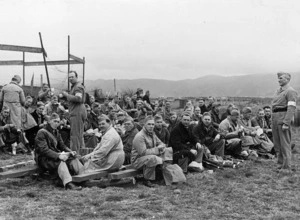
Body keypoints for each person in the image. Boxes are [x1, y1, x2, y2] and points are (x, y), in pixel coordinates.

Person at [35, 113, 83, 190]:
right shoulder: (42, 132)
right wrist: (58, 156)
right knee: (61, 161)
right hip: (44, 158)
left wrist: (70, 152)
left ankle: (83, 176)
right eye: (55, 121)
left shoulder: (56, 132)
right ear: (49, 121)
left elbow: (62, 146)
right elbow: (43, 150)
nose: (56, 123)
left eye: (58, 122)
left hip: (54, 155)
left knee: (73, 159)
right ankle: (68, 184)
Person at [271, 72, 297, 171]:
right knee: (277, 144)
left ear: (287, 79)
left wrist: (286, 122)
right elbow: (274, 106)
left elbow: (291, 108)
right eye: (278, 78)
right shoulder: (278, 91)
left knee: (285, 144)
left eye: (281, 78)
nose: (279, 80)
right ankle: (280, 164)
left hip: (283, 118)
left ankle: (286, 167)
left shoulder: (290, 91)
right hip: (275, 118)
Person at [131, 116, 166, 187]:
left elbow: (161, 143)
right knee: (153, 158)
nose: (151, 126)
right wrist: (158, 149)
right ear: (144, 125)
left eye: (153, 124)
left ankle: (162, 175)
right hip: (137, 161)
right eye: (149, 124)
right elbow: (143, 153)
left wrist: (162, 147)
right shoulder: (140, 136)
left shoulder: (152, 133)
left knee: (168, 151)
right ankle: (147, 180)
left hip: (148, 158)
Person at [60, 71, 87, 153]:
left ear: (76, 77)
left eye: (72, 77)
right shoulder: (74, 87)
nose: (70, 79)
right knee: (79, 135)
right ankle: (81, 153)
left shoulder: (78, 87)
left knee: (75, 135)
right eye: (69, 77)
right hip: (76, 111)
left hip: (77, 112)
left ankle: (75, 155)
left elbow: (78, 99)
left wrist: (66, 95)